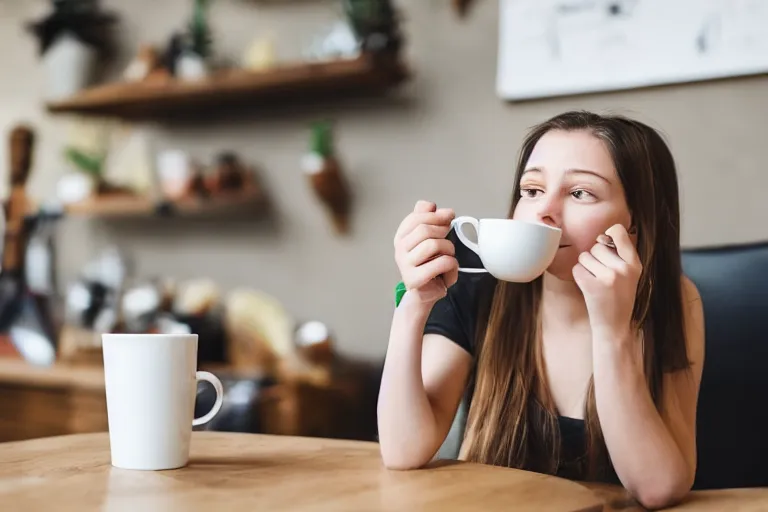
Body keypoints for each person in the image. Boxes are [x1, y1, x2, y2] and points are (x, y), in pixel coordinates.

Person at [377, 111, 705, 510]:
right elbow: (402, 449)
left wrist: (612, 330)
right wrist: (413, 304)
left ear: (635, 224)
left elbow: (659, 488)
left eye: (580, 193)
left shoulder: (671, 299)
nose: (543, 210)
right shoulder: (474, 285)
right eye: (531, 191)